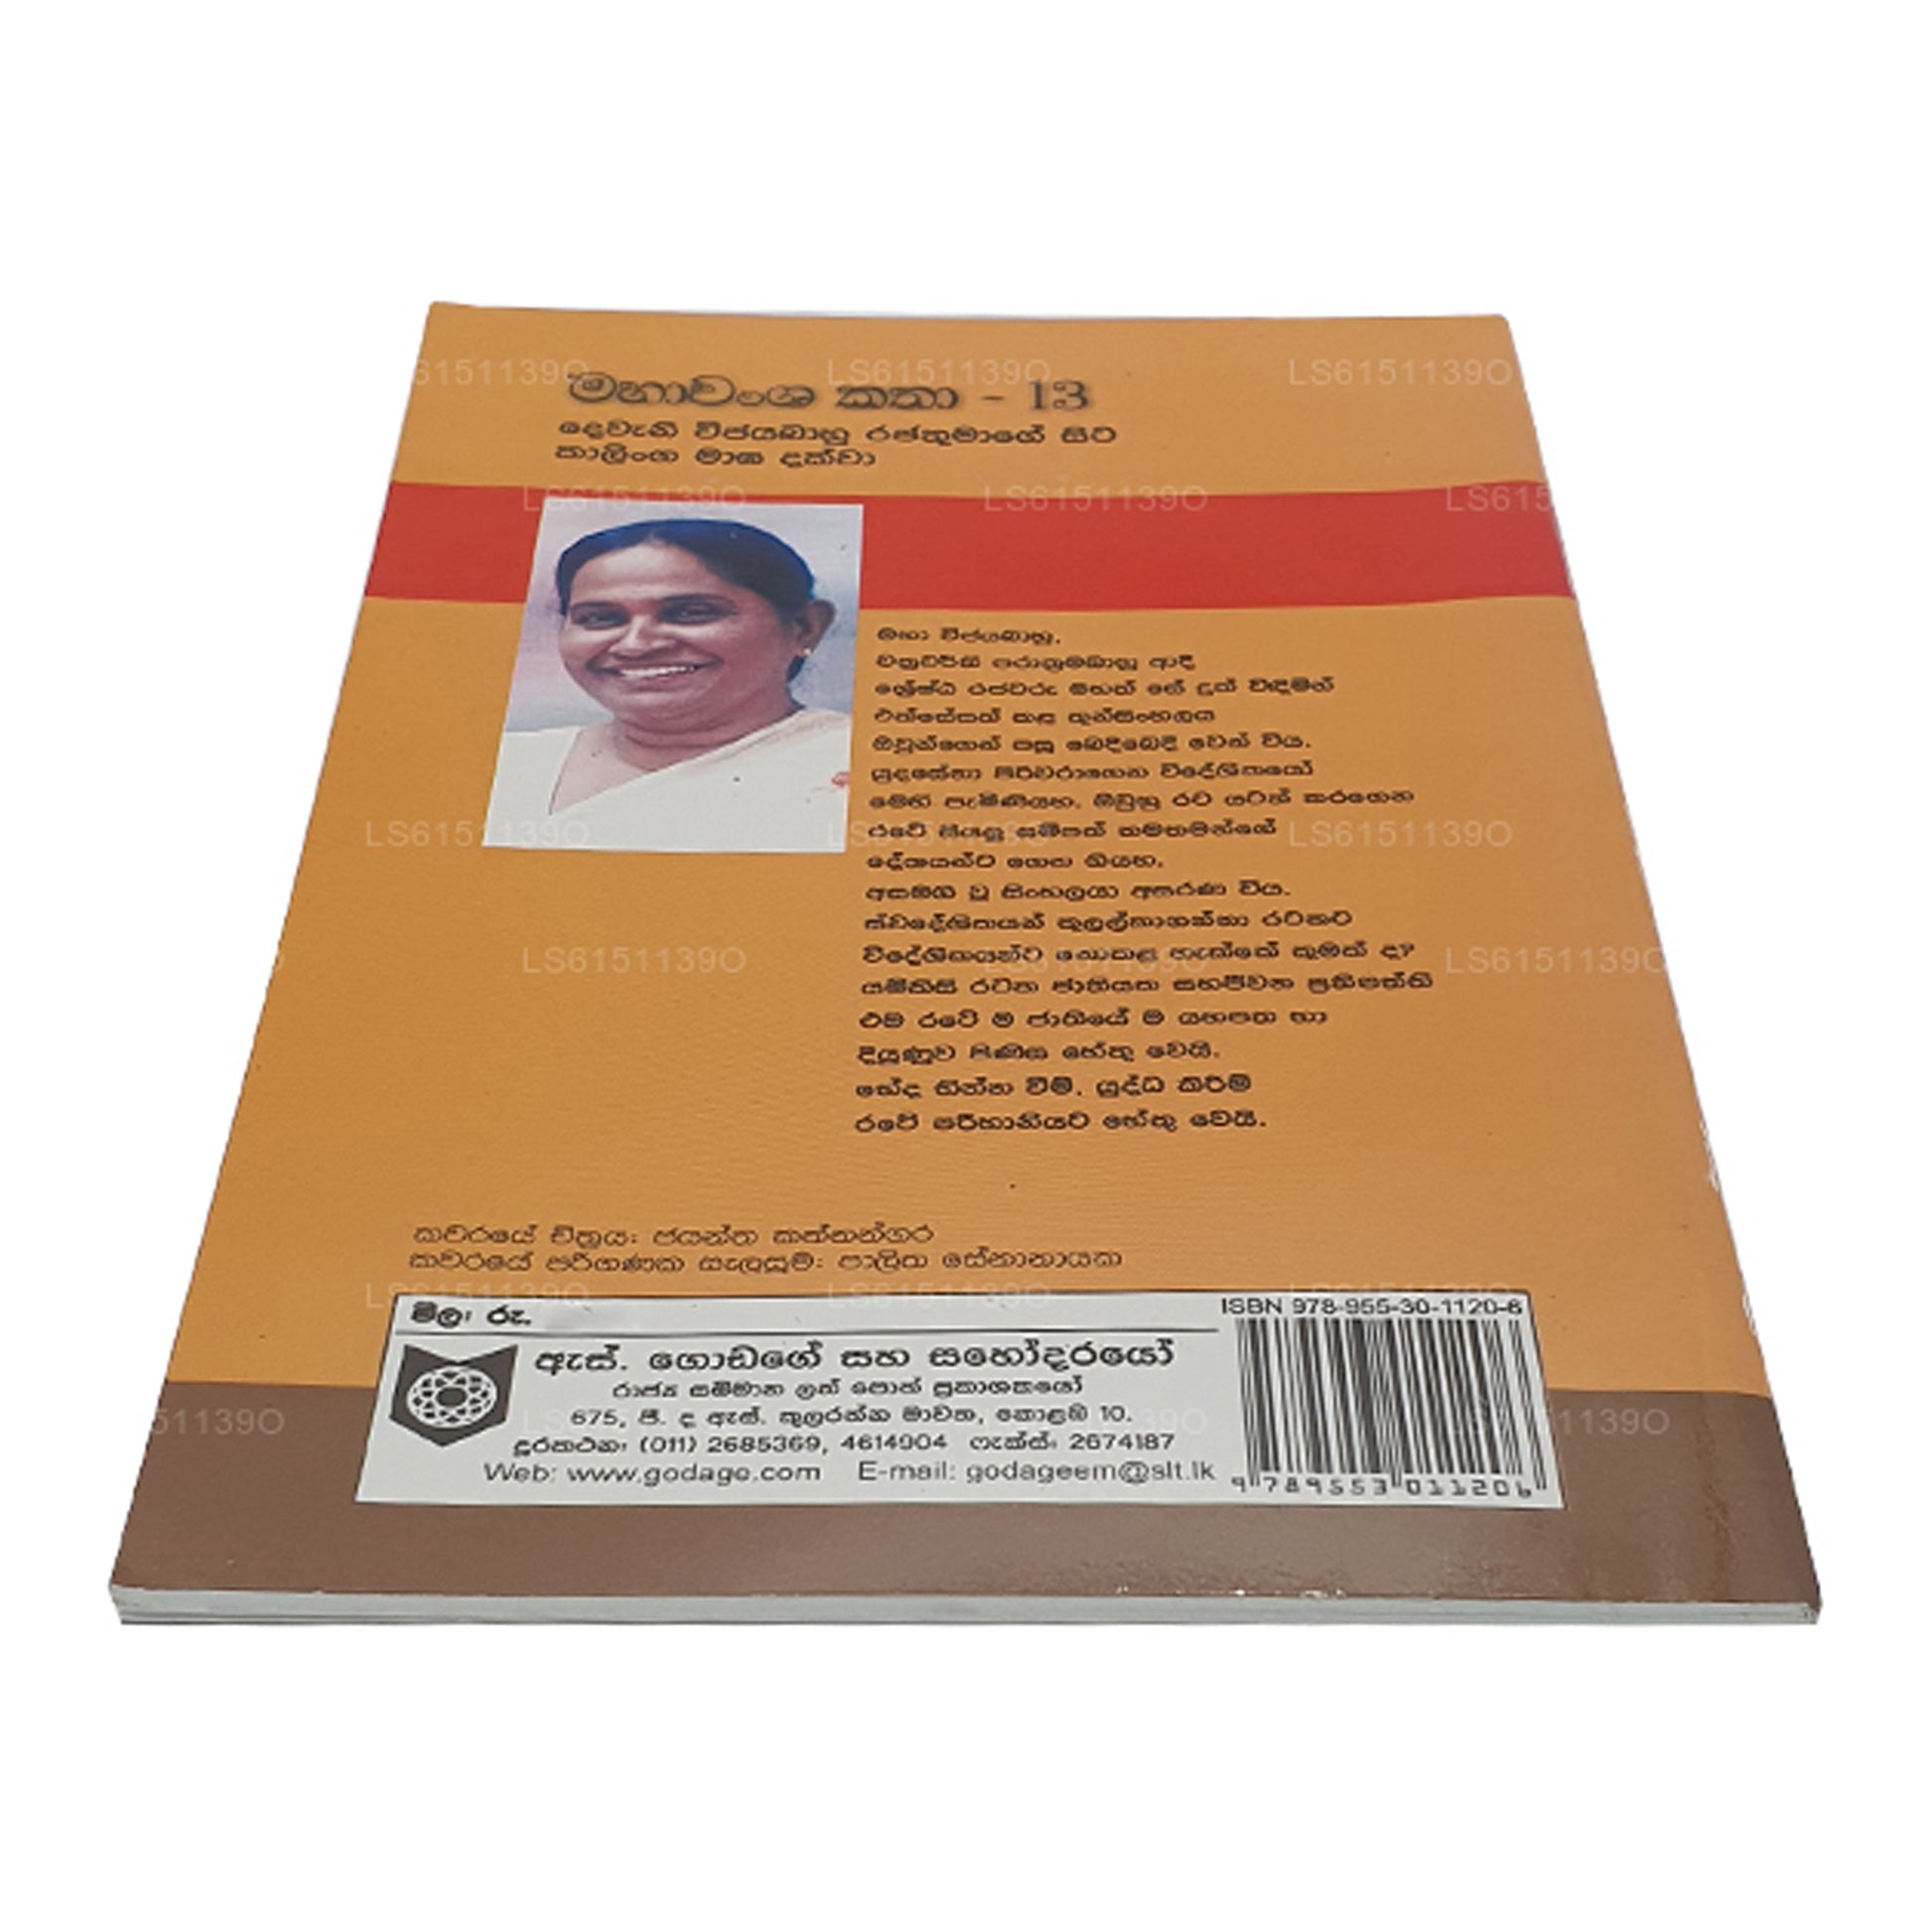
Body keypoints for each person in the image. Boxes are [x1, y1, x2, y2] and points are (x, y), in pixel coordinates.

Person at [485, 518, 851, 852]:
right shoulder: (507, 763)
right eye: (600, 618)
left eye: (691, 613)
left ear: (805, 627)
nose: (636, 645)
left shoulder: (853, 767)